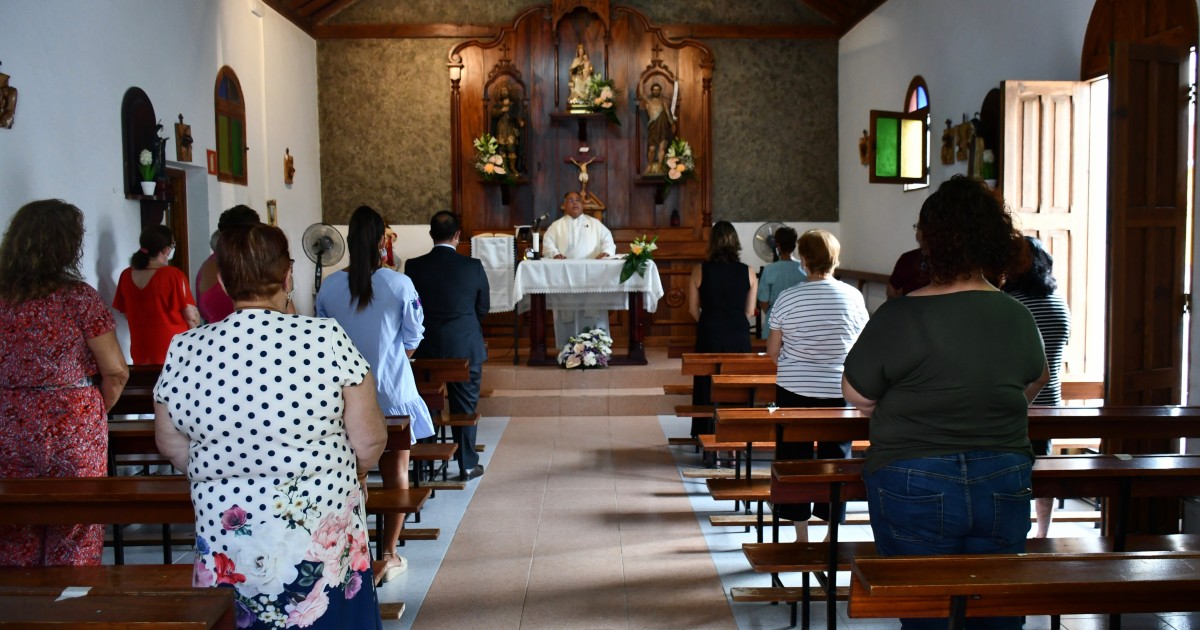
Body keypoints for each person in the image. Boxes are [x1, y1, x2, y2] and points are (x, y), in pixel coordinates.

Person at [154, 223, 387, 628]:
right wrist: (356, 472)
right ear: (287, 276)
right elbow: (368, 441)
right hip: (319, 526)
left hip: (229, 532)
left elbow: (172, 445)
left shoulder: (185, 348)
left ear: (224, 283)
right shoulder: (324, 338)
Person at [842, 176, 1048, 630]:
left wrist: (896, 402)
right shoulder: (1016, 314)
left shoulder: (901, 314)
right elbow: (1035, 381)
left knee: (926, 611)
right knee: (994, 610)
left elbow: (857, 393)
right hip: (1001, 471)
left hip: (911, 471)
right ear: (994, 240)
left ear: (929, 241)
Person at [0, 199, 129, 566]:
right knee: (76, 524)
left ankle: (18, 613)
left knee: (12, 525)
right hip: (71, 420)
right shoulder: (77, 298)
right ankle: (71, 607)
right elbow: (116, 370)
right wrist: (90, 410)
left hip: (7, 420)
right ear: (65, 246)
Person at [316, 205, 435, 580]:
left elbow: (321, 337)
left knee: (351, 475)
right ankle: (389, 552)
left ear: (348, 241)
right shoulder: (398, 284)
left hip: (341, 396)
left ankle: (356, 551)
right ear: (383, 241)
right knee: (396, 473)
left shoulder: (331, 285)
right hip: (390, 391)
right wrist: (392, 357)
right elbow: (415, 336)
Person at [766, 229, 867, 542]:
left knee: (793, 457)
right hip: (840, 390)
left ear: (804, 260)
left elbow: (772, 351)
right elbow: (862, 346)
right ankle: (831, 531)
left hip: (794, 390)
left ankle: (800, 532)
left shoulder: (789, 297)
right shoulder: (853, 296)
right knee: (835, 459)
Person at [405, 211, 490, 481]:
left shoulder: (413, 266)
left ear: (431, 235)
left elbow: (410, 309)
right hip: (464, 346)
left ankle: (429, 461)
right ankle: (466, 465)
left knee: (428, 402)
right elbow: (483, 308)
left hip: (425, 347)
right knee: (464, 405)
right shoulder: (472, 266)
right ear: (457, 235)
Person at [1003, 235, 1071, 538]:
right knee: (1043, 468)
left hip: (1015, 400)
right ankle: (1044, 532)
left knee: (1013, 469)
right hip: (1050, 399)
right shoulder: (1059, 303)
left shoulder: (1012, 304)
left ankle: (1015, 529)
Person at [688, 221, 757, 439]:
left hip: (710, 332)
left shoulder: (700, 270)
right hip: (738, 334)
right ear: (735, 243)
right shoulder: (749, 272)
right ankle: (734, 440)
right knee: (736, 386)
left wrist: (709, 321)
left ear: (712, 243)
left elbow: (692, 309)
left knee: (706, 385)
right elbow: (749, 311)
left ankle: (707, 438)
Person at [112, 224, 200, 364]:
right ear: (166, 250)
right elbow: (191, 317)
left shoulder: (126, 275)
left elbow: (126, 314)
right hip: (174, 351)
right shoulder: (173, 275)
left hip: (140, 351)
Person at [541, 191, 616, 347]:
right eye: (570, 200)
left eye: (577, 200)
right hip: (565, 277)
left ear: (583, 205)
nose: (574, 203)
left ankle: (596, 348)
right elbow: (548, 245)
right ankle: (567, 347)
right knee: (567, 312)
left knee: (592, 310)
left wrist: (606, 252)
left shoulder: (595, 224)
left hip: (592, 277)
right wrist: (555, 254)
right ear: (564, 206)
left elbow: (608, 240)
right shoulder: (556, 226)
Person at [194, 204, 259, 323]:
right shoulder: (255, 262)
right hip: (254, 333)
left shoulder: (208, 265)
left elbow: (202, 311)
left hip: (216, 335)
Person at [755, 226, 807, 339]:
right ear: (794, 245)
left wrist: (772, 313)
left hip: (774, 324)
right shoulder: (804, 268)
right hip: (800, 324)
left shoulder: (769, 270)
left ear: (777, 245)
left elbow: (763, 301)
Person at [639, 82, 676, 174]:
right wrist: (641, 81)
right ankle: (649, 165)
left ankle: (659, 166)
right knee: (651, 149)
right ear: (652, 91)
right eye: (654, 89)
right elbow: (641, 93)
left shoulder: (663, 102)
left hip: (663, 126)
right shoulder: (648, 101)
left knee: (661, 147)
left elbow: (668, 114)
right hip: (653, 126)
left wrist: (672, 124)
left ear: (660, 91)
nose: (656, 91)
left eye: (658, 90)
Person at [492, 83, 524, 175]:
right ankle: (504, 168)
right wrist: (502, 110)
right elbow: (493, 114)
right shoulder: (498, 105)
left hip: (510, 128)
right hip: (501, 128)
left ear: (509, 92)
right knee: (502, 149)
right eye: (502, 91)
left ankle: (512, 168)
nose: (504, 92)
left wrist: (520, 121)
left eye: (505, 90)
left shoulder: (513, 105)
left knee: (511, 147)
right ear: (500, 94)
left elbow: (517, 114)